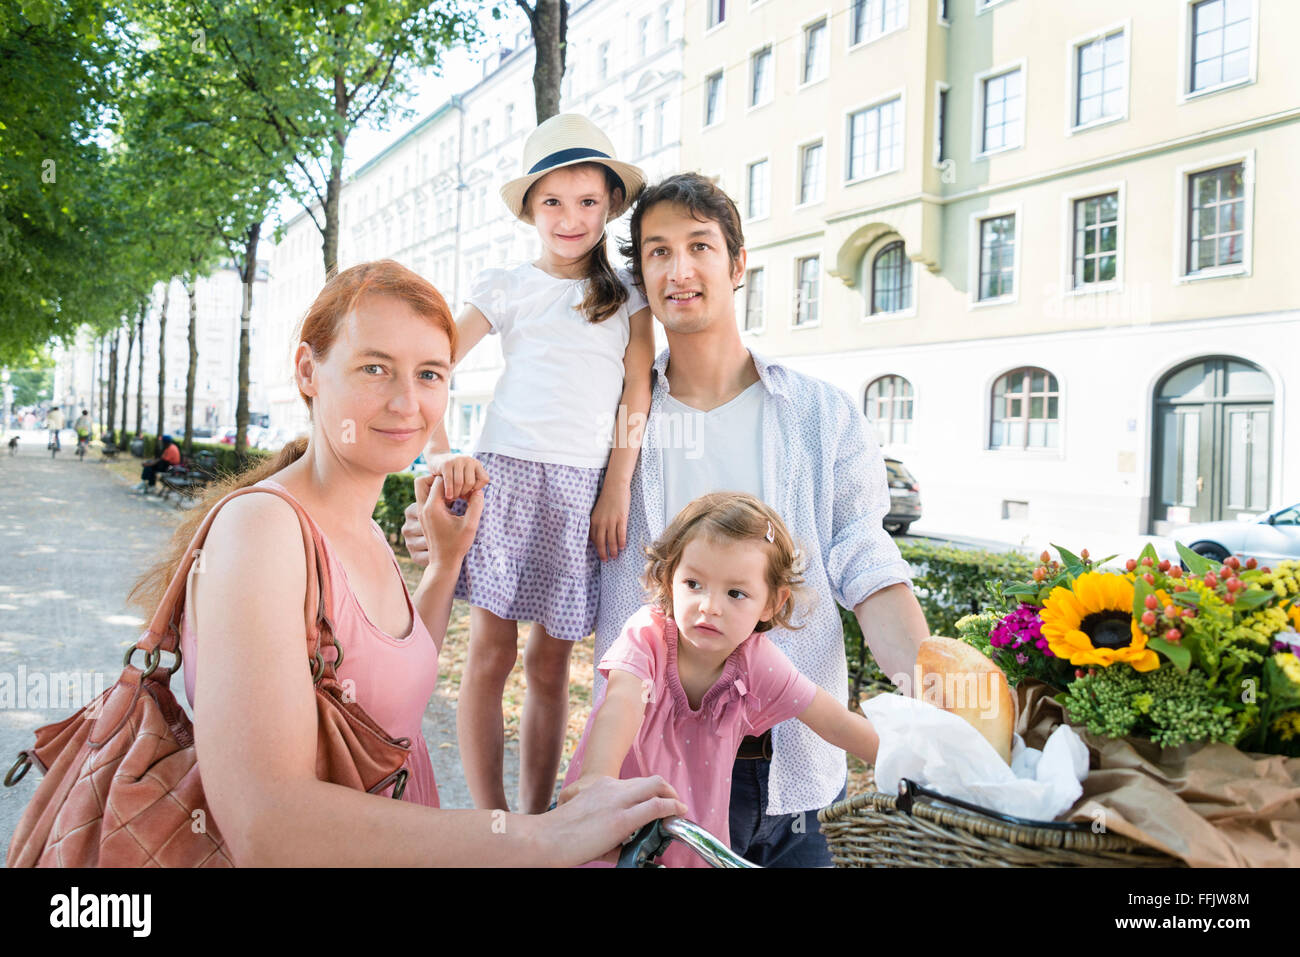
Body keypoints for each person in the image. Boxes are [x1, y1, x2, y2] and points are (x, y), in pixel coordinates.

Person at [405, 172, 932, 866]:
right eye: (656, 252)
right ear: (639, 276)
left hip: (792, 772)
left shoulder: (819, 413)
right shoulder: (606, 425)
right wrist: (445, 526)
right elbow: (539, 512)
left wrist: (931, 687)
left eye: (699, 246)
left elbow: (864, 556)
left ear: (737, 264)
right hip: (651, 783)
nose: (678, 270)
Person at [125, 260, 685, 866]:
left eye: (429, 374)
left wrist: (444, 567)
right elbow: (268, 825)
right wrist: (541, 837)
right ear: (308, 371)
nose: (406, 401)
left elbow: (388, 694)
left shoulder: (361, 526)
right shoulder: (263, 529)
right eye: (375, 368)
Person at [418, 113, 656, 815]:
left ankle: (532, 818)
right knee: (488, 654)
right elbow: (432, 365)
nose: (570, 216)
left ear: (611, 205)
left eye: (588, 201)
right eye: (552, 200)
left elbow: (636, 391)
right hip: (505, 480)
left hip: (581, 489)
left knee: (551, 664)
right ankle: (491, 821)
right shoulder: (507, 286)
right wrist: (438, 455)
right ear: (529, 209)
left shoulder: (629, 298)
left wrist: (617, 486)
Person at [558, 493, 881, 867]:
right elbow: (622, 702)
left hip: (690, 840)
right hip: (607, 821)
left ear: (772, 603)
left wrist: (908, 762)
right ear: (669, 577)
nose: (710, 605)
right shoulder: (646, 636)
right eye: (694, 584)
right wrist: (599, 780)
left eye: (735, 593)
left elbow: (835, 722)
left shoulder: (756, 662)